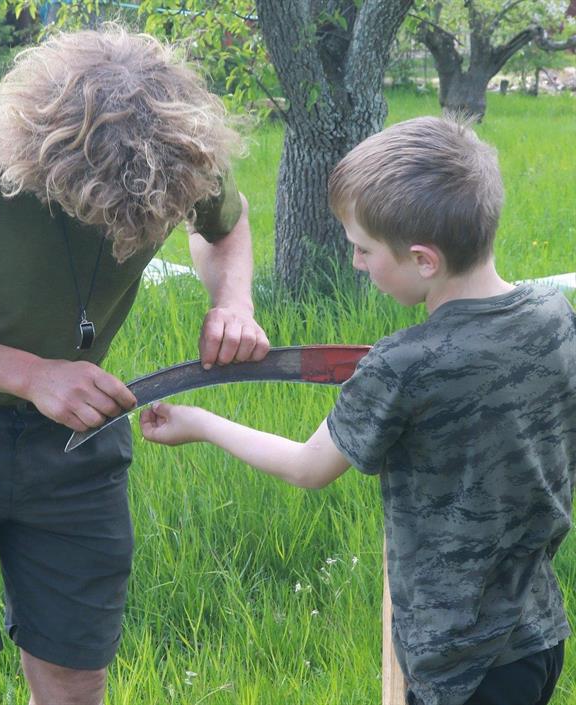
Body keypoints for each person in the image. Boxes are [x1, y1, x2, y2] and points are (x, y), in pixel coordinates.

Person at [0, 26, 269, 705]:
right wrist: (32, 374)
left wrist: (233, 302)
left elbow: (225, 227)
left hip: (78, 437)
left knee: (76, 677)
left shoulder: (177, 145)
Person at [140, 115, 576, 705]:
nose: (355, 264)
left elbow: (308, 467)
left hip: (457, 662)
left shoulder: (403, 364)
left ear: (423, 260)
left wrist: (198, 423)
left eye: (363, 249)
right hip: (538, 635)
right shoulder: (554, 315)